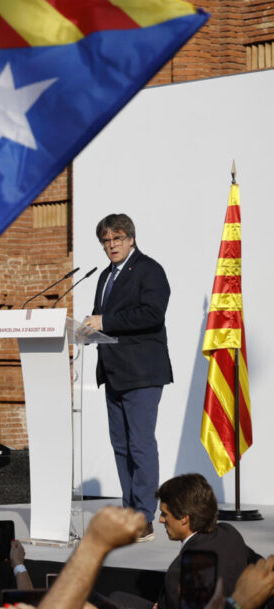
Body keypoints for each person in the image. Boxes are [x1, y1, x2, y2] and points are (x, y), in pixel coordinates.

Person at [84, 213, 171, 542]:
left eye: (117, 239)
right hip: (114, 371)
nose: (111, 245)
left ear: (131, 239)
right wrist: (88, 329)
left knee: (141, 445)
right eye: (106, 241)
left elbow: (152, 314)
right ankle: (128, 511)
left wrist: (104, 322)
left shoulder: (149, 269)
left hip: (142, 372)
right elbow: (104, 320)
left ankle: (145, 516)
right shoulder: (104, 276)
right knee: (121, 446)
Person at [155, 473, 258, 609]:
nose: (160, 520)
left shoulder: (179, 572)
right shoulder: (229, 532)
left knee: (119, 600)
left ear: (184, 519)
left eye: (164, 514)